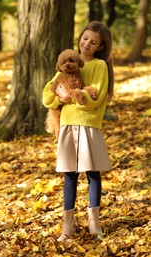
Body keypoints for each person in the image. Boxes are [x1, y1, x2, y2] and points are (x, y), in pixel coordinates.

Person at [42, 21, 114, 242]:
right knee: (70, 175)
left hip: (89, 124)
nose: (87, 44)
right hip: (67, 125)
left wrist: (70, 98)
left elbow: (96, 98)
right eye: (85, 38)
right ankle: (68, 223)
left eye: (93, 42)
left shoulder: (99, 66)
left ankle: (94, 222)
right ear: (80, 37)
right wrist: (60, 97)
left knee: (92, 174)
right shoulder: (66, 65)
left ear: (100, 47)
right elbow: (47, 96)